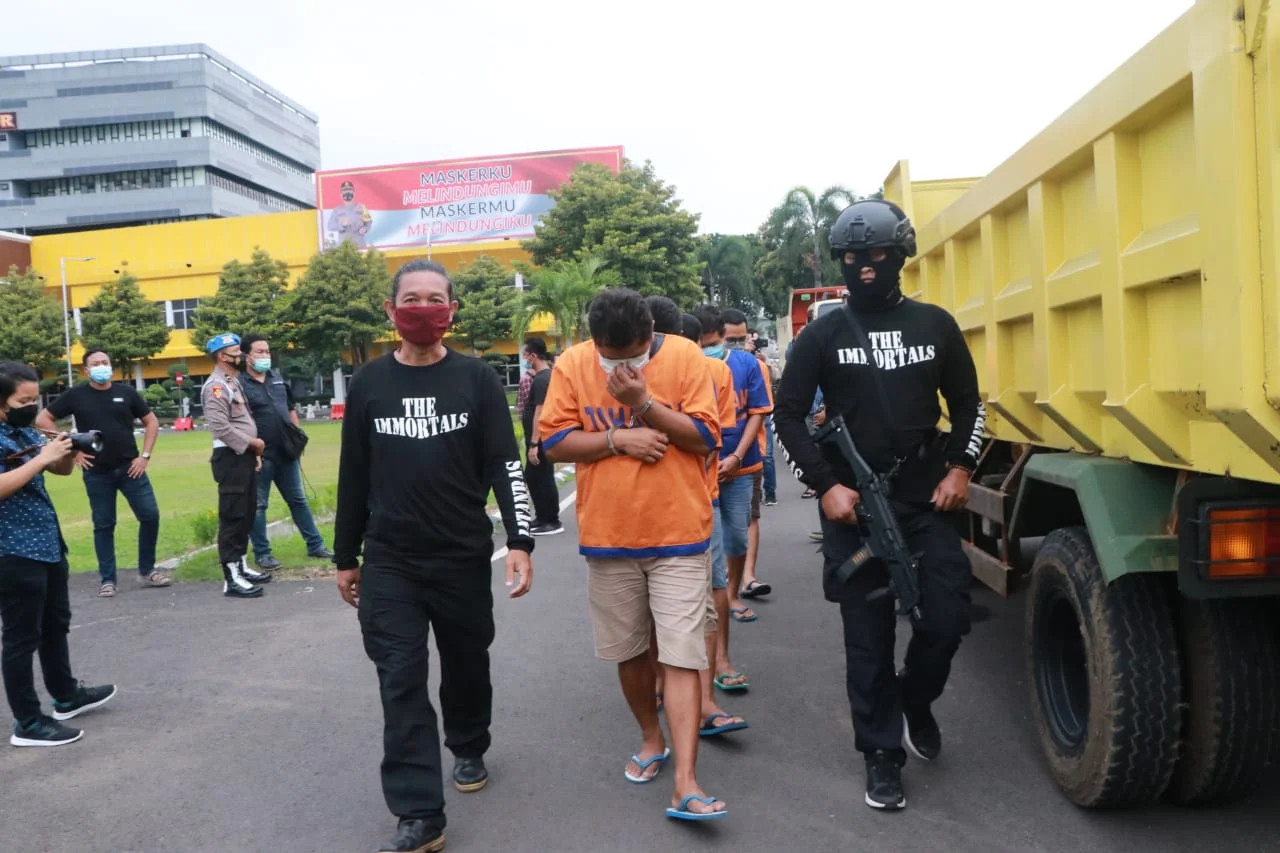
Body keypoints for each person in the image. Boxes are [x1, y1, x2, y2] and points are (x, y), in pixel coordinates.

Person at [773, 198, 985, 811]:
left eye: (877, 254)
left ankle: (914, 698)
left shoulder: (935, 325)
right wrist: (823, 484)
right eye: (852, 256)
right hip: (854, 511)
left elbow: (971, 405)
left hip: (927, 503)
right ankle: (882, 754)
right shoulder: (822, 333)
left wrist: (961, 468)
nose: (865, 266)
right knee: (866, 640)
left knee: (945, 622)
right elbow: (786, 415)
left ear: (900, 255)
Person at [333, 258, 534, 853]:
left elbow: (507, 464)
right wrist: (346, 556)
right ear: (391, 311)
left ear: (452, 310)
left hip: (461, 555)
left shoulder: (475, 380)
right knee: (399, 677)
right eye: (411, 298)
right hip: (391, 559)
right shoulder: (369, 382)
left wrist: (520, 540)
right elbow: (354, 475)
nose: (423, 308)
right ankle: (420, 812)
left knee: (466, 660)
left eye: (435, 298)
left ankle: (469, 743)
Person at [540, 288, 728, 822]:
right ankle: (651, 738)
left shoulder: (687, 357)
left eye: (634, 356)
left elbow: (706, 438)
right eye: (611, 358)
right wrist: (618, 440)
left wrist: (643, 404)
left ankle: (687, 781)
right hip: (609, 536)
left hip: (679, 535)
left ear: (651, 334)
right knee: (628, 650)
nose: (622, 366)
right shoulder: (574, 364)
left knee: (683, 652)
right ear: (593, 340)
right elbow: (552, 442)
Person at [644, 298, 749, 737]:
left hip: (690, 508)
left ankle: (693, 695)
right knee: (690, 604)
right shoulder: (618, 375)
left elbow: (711, 440)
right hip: (675, 510)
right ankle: (687, 692)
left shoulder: (711, 373)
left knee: (698, 604)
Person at [0, 361, 116, 748]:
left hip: (45, 544)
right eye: (24, 400)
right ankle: (28, 723)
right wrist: (42, 458)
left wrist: (64, 449)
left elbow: (62, 472)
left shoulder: (21, 430)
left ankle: (66, 696)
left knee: (54, 625)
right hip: (11, 550)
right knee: (21, 638)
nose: (32, 406)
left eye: (35, 398)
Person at [36, 348, 169, 597]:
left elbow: (151, 421)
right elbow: (44, 420)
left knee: (150, 516)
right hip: (97, 471)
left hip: (131, 467)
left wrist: (145, 456)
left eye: (105, 362)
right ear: (86, 370)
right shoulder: (76, 395)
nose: (101, 366)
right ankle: (108, 579)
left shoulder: (126, 393)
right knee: (104, 524)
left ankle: (147, 569)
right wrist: (72, 450)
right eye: (95, 363)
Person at [694, 304, 771, 625]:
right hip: (701, 470)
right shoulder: (687, 367)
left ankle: (734, 592)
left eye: (713, 343)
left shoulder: (746, 364)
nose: (708, 350)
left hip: (742, 466)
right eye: (702, 345)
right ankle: (713, 600)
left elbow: (757, 412)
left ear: (722, 337)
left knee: (737, 538)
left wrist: (737, 456)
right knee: (706, 541)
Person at [238, 333, 334, 570]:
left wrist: (298, 437)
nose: (265, 356)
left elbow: (290, 410)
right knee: (259, 505)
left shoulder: (277, 379)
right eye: (259, 352)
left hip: (286, 452)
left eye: (267, 351)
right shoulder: (240, 384)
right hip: (261, 455)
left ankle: (316, 545)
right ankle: (263, 553)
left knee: (298, 500)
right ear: (246, 356)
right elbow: (240, 420)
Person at [201, 333, 272, 599]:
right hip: (230, 458)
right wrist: (251, 443)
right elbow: (220, 427)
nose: (242, 356)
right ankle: (231, 577)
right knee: (232, 517)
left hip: (242, 455)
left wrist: (251, 450)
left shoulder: (232, 382)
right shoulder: (216, 386)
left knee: (246, 513)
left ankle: (240, 565)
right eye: (236, 352)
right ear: (222, 356)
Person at [519, 337, 562, 535]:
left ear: (533, 356)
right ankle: (542, 516)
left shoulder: (542, 379)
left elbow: (540, 413)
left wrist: (534, 444)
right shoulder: (542, 377)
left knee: (542, 477)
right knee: (535, 477)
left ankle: (551, 520)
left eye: (525, 355)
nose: (524, 359)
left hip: (541, 439)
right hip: (537, 439)